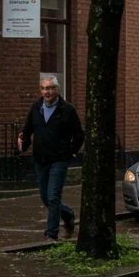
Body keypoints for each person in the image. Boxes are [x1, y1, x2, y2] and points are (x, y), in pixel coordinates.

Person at [19, 77, 84, 240]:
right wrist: (23, 144)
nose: (46, 92)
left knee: (54, 196)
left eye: (49, 88)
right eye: (43, 88)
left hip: (59, 160)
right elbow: (27, 132)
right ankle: (68, 214)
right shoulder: (36, 108)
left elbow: (79, 135)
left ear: (57, 90)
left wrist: (69, 153)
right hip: (40, 159)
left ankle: (51, 234)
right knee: (46, 198)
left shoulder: (67, 109)